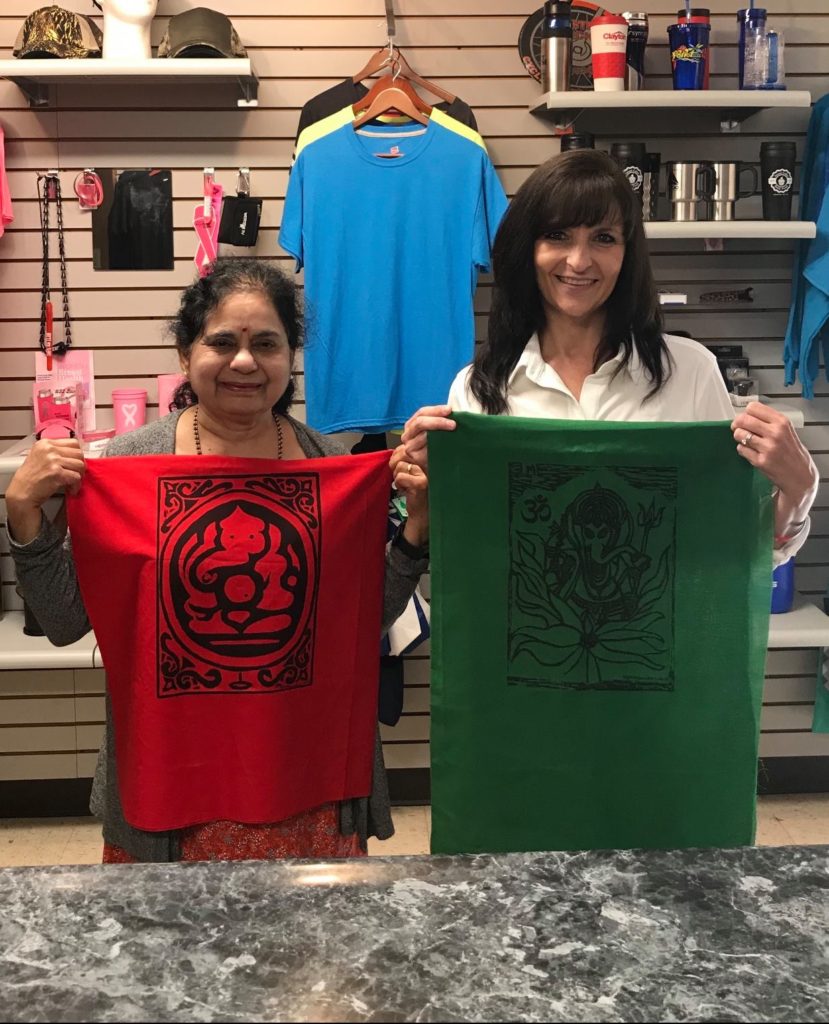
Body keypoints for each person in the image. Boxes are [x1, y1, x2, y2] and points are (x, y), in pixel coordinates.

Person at [6, 257, 430, 863]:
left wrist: (415, 533)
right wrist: (25, 520)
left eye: (267, 344)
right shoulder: (128, 467)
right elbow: (66, 620)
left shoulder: (329, 466)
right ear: (185, 354)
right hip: (171, 797)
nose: (244, 362)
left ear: (291, 356)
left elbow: (359, 622)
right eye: (222, 342)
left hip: (304, 785)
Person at [396, 150, 818, 562]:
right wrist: (431, 491)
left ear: (626, 253)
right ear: (528, 248)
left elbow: (735, 542)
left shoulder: (689, 372)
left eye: (603, 238)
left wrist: (798, 494)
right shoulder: (477, 390)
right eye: (557, 235)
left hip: (658, 631)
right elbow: (475, 550)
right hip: (528, 632)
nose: (578, 261)